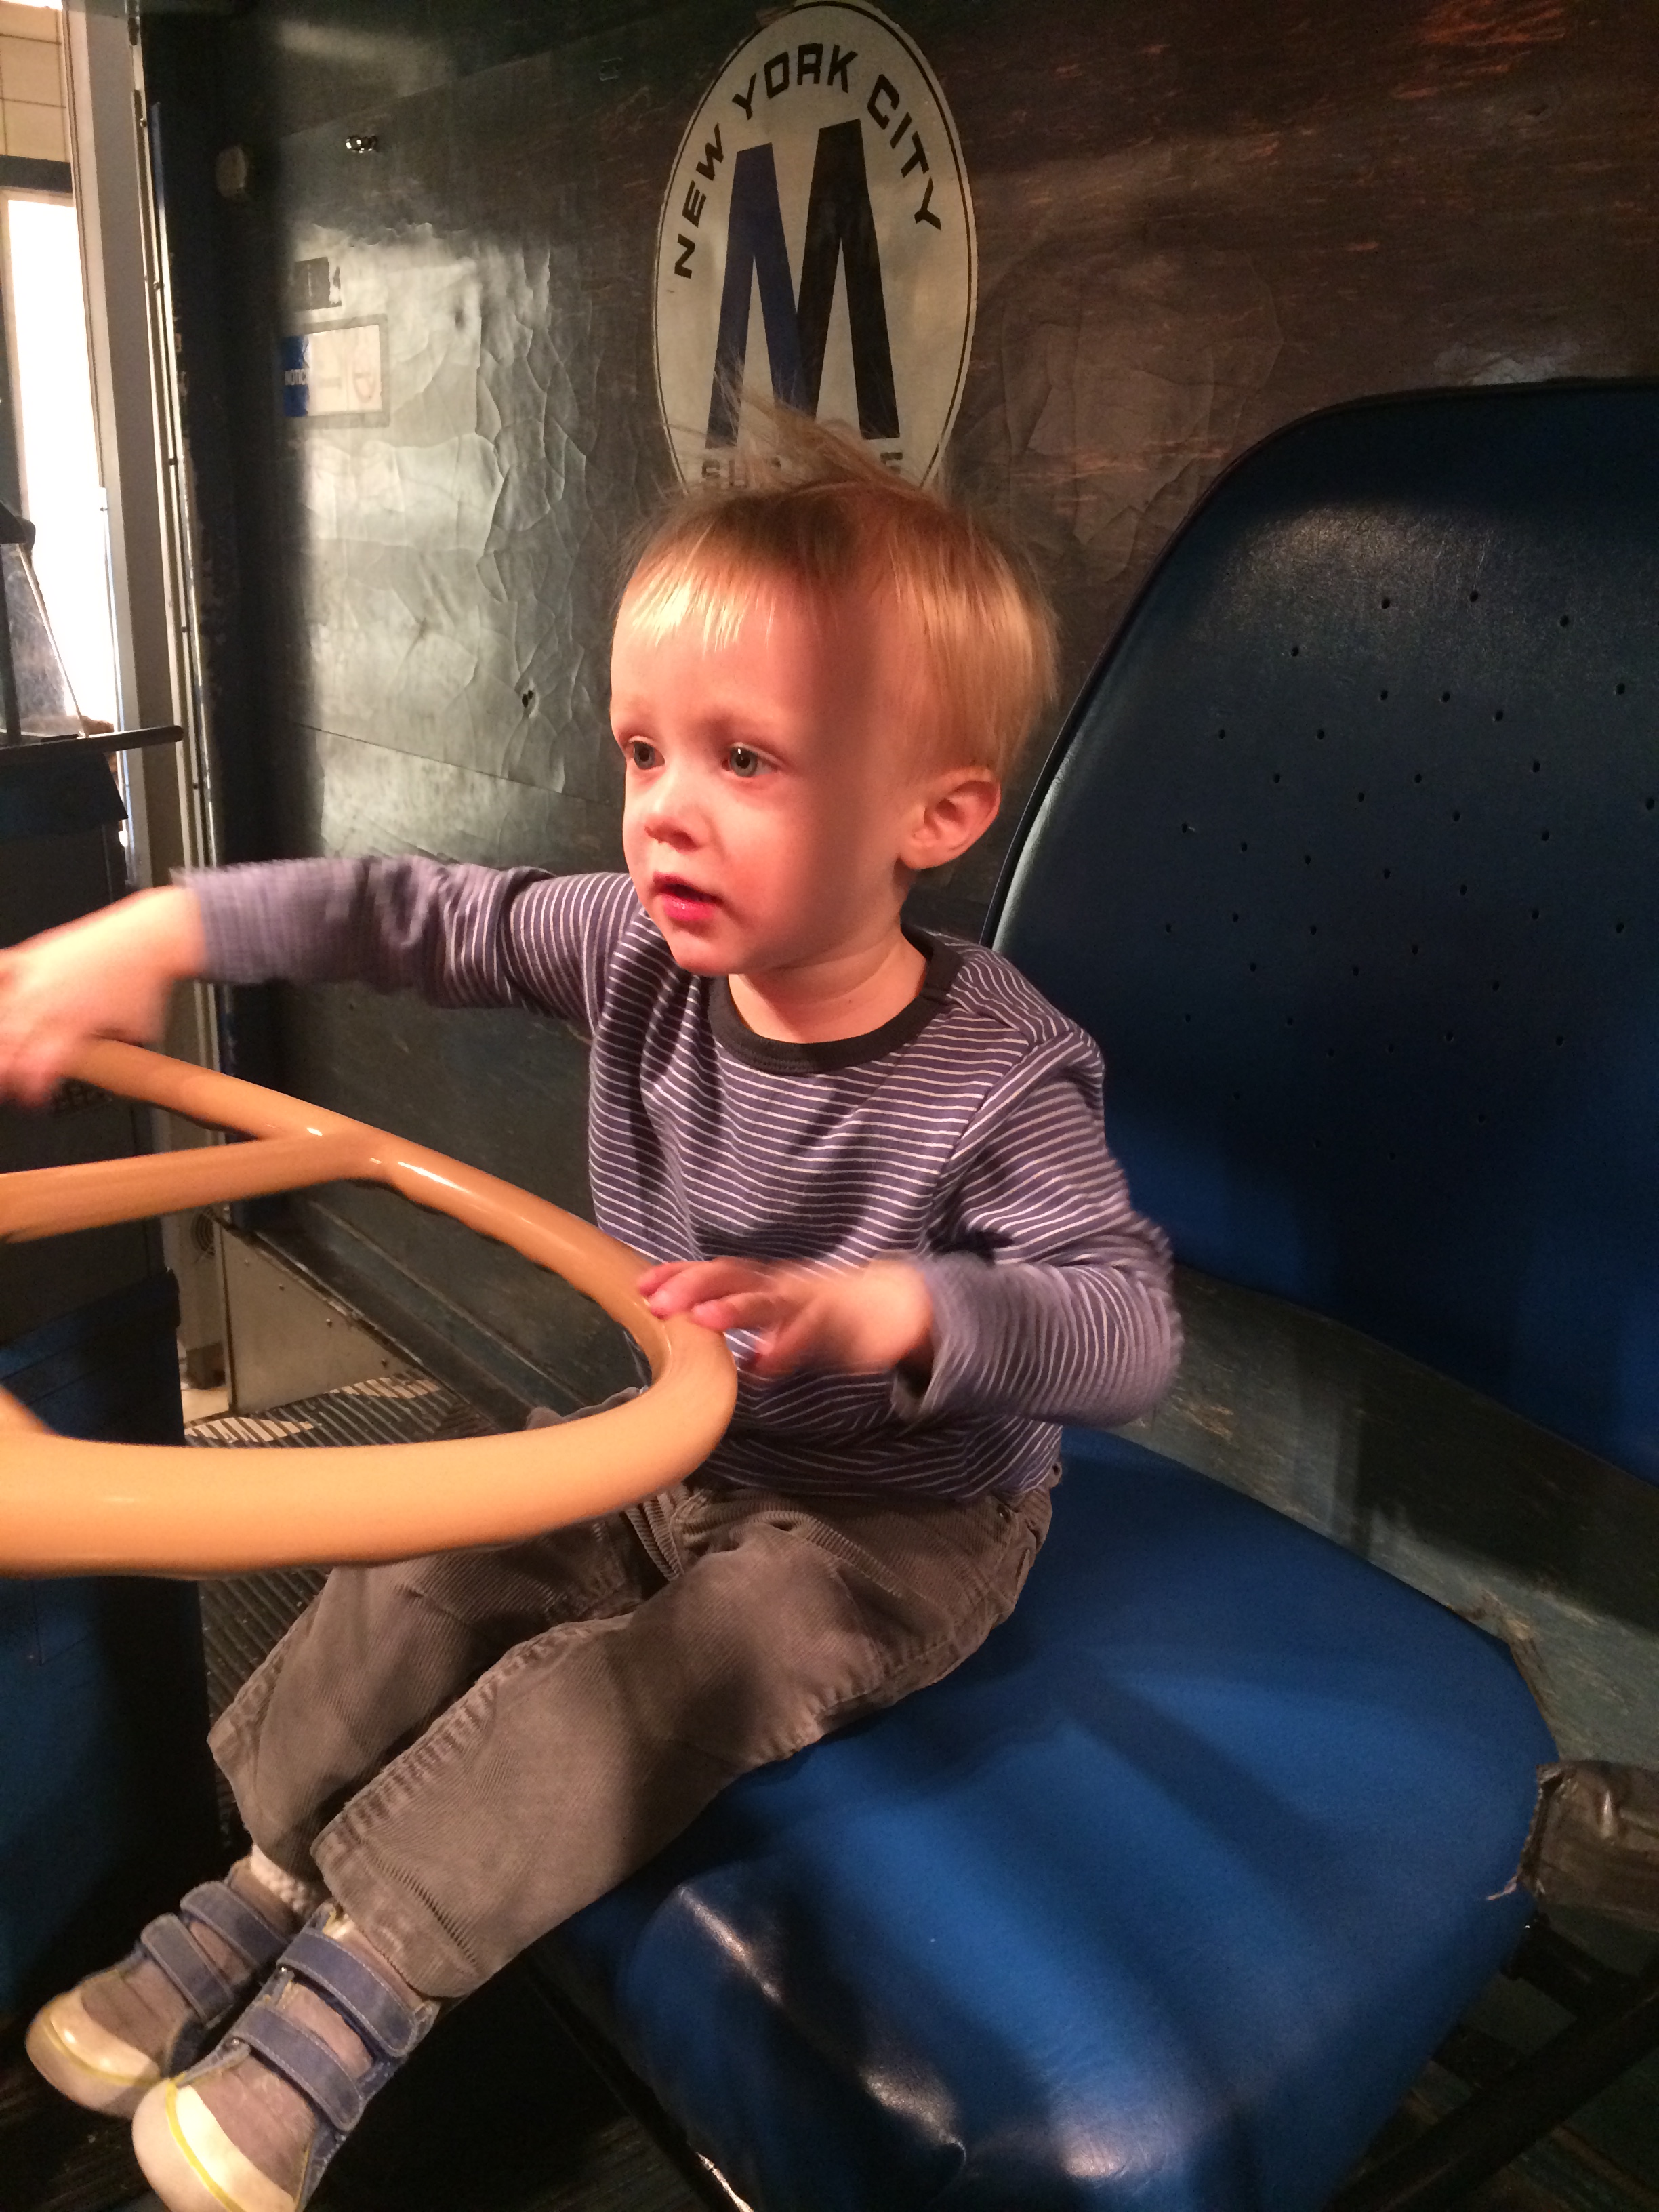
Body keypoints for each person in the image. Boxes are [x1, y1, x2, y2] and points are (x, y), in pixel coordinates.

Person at [0, 416, 1179, 2212]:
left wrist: (904, 1310)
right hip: (680, 1442)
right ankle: (265, 1875)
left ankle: (374, 1970)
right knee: (431, 1555)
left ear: (933, 816)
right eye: (643, 751)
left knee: (668, 1671)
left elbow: (1127, 1331)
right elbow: (403, 912)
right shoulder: (634, 945)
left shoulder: (999, 1074)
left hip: (897, 1520)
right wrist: (154, 932)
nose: (664, 811)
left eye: (746, 758)